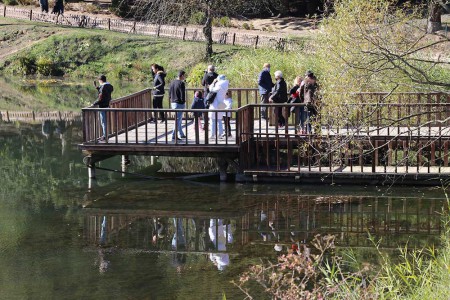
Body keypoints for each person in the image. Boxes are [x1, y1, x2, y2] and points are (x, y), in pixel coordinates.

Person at [92, 75, 114, 141]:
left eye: (99, 81)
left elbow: (100, 98)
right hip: (107, 105)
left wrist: (94, 103)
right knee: (106, 121)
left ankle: (105, 136)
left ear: (100, 80)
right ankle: (107, 134)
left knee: (103, 122)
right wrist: (97, 87)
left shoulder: (103, 87)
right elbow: (105, 92)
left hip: (102, 106)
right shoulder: (110, 86)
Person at [208, 74, 229, 139]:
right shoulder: (226, 84)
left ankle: (212, 134)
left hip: (215, 103)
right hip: (221, 103)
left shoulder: (219, 84)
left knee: (212, 120)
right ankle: (220, 134)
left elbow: (211, 90)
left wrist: (213, 82)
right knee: (219, 120)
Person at [169, 70, 187, 141]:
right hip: (179, 103)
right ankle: (173, 136)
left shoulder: (172, 82)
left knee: (178, 120)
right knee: (178, 120)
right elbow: (182, 95)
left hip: (173, 102)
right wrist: (183, 103)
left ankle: (181, 134)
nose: (184, 77)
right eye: (184, 76)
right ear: (182, 76)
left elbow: (170, 93)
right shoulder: (181, 83)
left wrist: (171, 100)